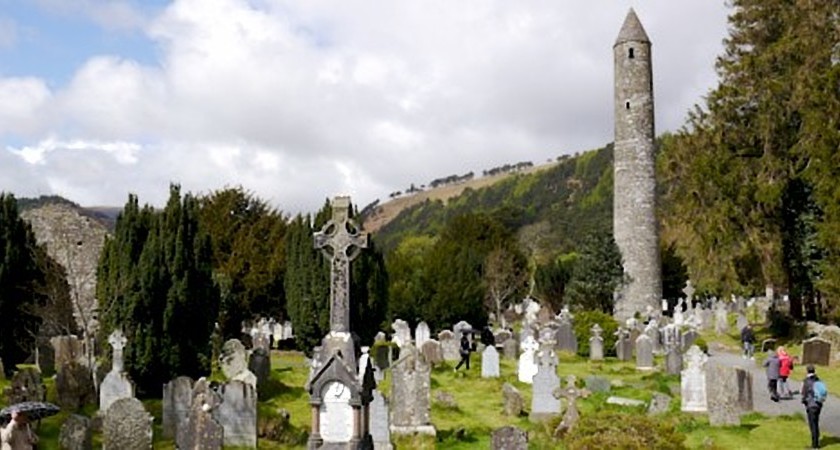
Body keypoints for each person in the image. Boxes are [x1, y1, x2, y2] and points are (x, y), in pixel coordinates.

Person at [801, 365, 825, 449]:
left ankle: (815, 445)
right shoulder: (818, 379)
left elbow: (803, 393)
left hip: (811, 405)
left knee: (813, 425)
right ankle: (816, 443)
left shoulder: (806, 381)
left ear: (807, 371)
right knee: (816, 423)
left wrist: (804, 401)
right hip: (818, 404)